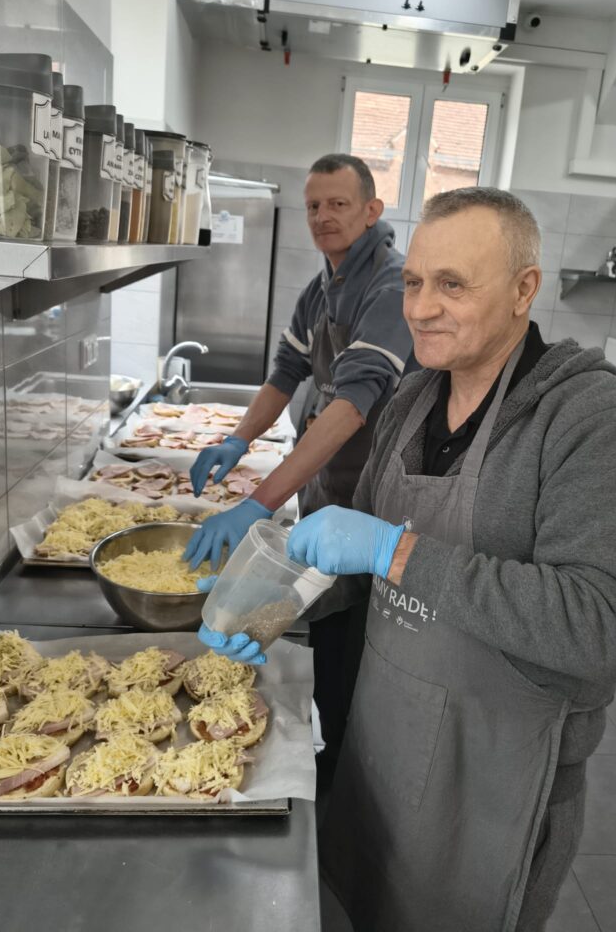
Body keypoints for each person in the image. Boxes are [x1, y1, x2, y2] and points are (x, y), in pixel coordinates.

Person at [202, 187, 616, 931]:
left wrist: (395, 549)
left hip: (491, 781)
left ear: (523, 290)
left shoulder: (593, 423)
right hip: (384, 748)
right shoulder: (414, 399)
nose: (420, 308)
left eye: (453, 284)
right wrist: (276, 599)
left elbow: (600, 628)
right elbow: (361, 570)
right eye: (415, 282)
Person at [185, 153, 413, 779]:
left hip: (374, 505)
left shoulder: (390, 288)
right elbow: (286, 373)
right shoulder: (321, 290)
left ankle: (347, 776)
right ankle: (330, 753)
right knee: (327, 637)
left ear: (372, 210)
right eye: (314, 205)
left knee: (357, 653)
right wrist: (237, 439)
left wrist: (258, 502)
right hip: (326, 489)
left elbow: (352, 405)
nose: (322, 216)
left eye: (338, 203)